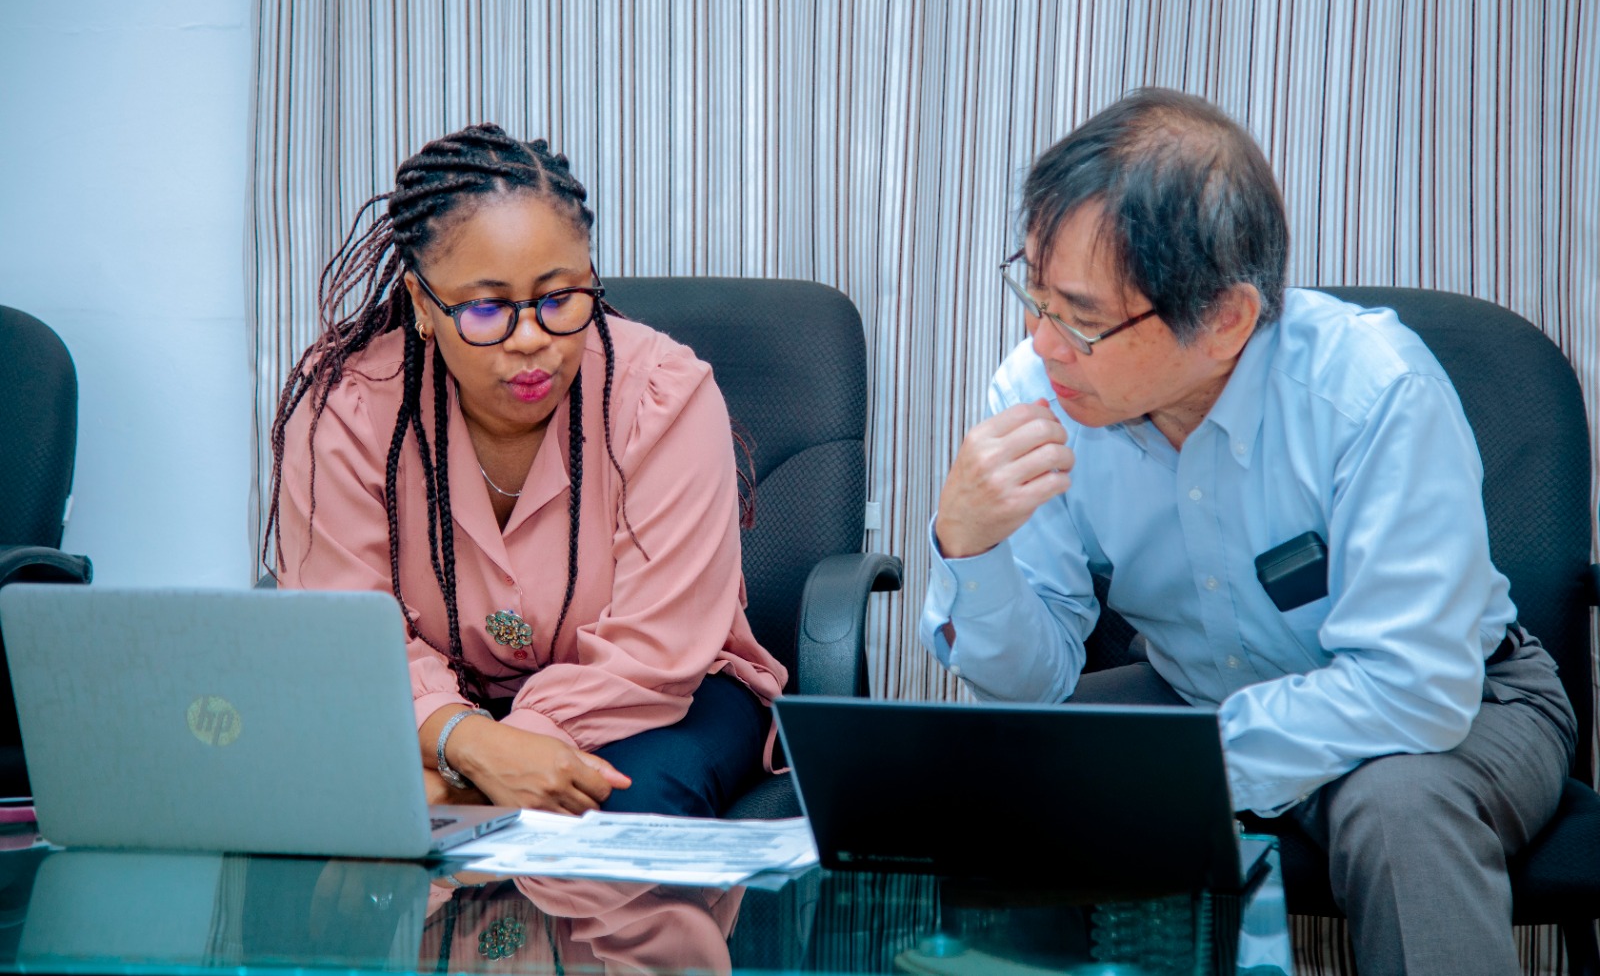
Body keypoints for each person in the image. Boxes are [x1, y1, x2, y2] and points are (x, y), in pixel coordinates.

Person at [920, 88, 1576, 975]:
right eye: (1032, 295)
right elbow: (1032, 686)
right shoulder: (1038, 392)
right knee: (1000, 773)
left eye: (1081, 317)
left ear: (1225, 319)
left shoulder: (1373, 392)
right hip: (1196, 693)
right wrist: (972, 550)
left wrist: (1189, 763)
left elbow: (1415, 686)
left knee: (1399, 811)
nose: (1042, 343)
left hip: (1461, 703)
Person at [266, 123, 786, 818]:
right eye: (486, 308)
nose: (532, 339)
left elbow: (656, 651)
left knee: (625, 803)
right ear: (422, 303)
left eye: (559, 298)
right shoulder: (350, 408)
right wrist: (470, 743)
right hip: (428, 706)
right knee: (299, 792)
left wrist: (474, 773)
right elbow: (346, 636)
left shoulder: (663, 397)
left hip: (650, 698)